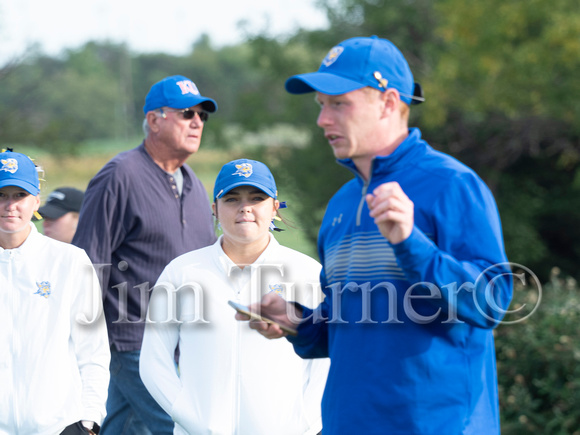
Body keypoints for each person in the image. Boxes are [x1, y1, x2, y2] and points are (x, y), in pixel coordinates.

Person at [237, 36, 514, 434]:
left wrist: (409, 242)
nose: (323, 120)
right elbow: (347, 326)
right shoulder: (341, 205)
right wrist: (296, 320)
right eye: (321, 106)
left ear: (387, 102)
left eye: (338, 103)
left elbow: (493, 303)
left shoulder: (452, 184)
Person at [140, 159, 329, 435]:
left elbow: (325, 366)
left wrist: (304, 427)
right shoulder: (181, 272)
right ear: (215, 209)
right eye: (231, 199)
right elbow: (153, 362)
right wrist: (195, 423)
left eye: (257, 198)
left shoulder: (307, 273)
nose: (245, 208)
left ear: (275, 207)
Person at [72, 75, 218, 434]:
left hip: (186, 344)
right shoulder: (119, 175)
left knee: (123, 428)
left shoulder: (195, 185)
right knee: (180, 427)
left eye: (202, 114)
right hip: (132, 341)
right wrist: (80, 348)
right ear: (154, 120)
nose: (197, 121)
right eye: (186, 113)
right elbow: (87, 264)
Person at [0, 150, 109, 435]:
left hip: (58, 426)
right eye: (1, 195)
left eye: (19, 196)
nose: (9, 206)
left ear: (36, 201)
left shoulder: (70, 261)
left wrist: (89, 420)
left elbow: (93, 350)